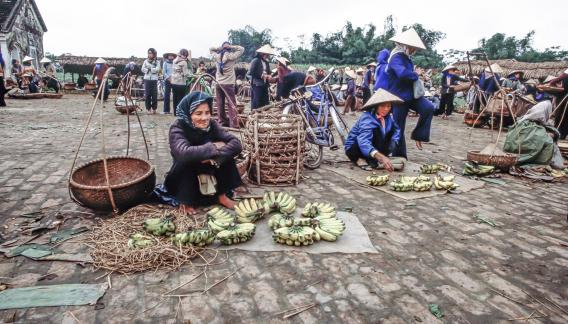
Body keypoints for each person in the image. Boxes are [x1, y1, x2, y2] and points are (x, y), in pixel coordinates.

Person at [154, 91, 242, 214]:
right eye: (198, 113)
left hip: (208, 167)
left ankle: (221, 196)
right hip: (186, 174)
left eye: (207, 113)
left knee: (226, 156)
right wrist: (213, 147)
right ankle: (185, 200)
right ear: (188, 114)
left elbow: (236, 143)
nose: (204, 118)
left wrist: (217, 155)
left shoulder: (212, 124)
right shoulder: (178, 127)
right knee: (185, 161)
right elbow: (183, 153)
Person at [375, 28, 436, 158]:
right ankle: (399, 155)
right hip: (398, 97)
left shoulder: (406, 57)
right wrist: (416, 74)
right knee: (399, 127)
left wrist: (418, 75)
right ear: (405, 45)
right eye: (412, 47)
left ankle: (419, 135)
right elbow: (402, 73)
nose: (414, 50)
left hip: (410, 94)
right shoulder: (396, 57)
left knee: (429, 108)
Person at [344, 89, 405, 171]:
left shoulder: (388, 118)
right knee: (375, 132)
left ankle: (374, 157)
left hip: (374, 146)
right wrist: (381, 157)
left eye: (388, 106)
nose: (386, 109)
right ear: (376, 106)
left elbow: (397, 130)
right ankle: (362, 159)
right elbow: (364, 141)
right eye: (382, 106)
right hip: (355, 148)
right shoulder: (367, 118)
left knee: (392, 130)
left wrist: (393, 142)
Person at [504, 100, 565, 168]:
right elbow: (535, 138)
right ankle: (540, 161)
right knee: (548, 141)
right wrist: (548, 136)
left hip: (514, 149)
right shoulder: (531, 124)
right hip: (520, 149)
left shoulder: (525, 120)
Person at [210, 41, 244, 127]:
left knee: (220, 103)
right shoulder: (231, 57)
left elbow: (211, 49)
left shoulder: (216, 57)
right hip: (228, 83)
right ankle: (233, 123)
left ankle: (221, 122)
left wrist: (219, 48)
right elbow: (241, 49)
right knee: (231, 103)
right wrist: (231, 46)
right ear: (228, 49)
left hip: (219, 83)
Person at [249, 44, 274, 109]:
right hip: (257, 84)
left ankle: (263, 115)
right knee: (257, 100)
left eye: (268, 54)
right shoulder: (255, 61)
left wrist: (269, 75)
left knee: (265, 100)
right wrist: (261, 75)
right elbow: (251, 72)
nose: (267, 56)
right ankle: (254, 115)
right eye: (266, 54)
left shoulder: (266, 62)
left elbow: (269, 72)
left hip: (265, 84)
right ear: (262, 53)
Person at [171, 49, 192, 117]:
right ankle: (180, 113)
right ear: (185, 55)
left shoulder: (174, 60)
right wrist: (193, 75)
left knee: (175, 98)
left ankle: (175, 112)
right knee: (181, 99)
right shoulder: (184, 62)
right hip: (181, 83)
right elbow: (186, 74)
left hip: (174, 82)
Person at [141, 48, 161, 114]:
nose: (150, 54)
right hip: (147, 79)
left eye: (151, 53)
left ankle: (154, 108)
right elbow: (142, 69)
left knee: (154, 94)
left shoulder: (157, 62)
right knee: (147, 95)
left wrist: (150, 69)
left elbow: (158, 69)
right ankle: (148, 108)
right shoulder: (145, 61)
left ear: (154, 54)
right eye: (149, 53)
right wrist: (149, 70)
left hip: (154, 79)